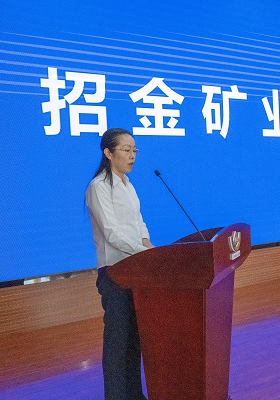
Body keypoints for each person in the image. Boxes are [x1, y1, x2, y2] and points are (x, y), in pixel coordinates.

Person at [85, 127, 154, 400]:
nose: (132, 155)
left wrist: (147, 244)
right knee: (117, 344)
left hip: (136, 271)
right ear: (108, 152)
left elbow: (138, 223)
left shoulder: (128, 184)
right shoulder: (99, 187)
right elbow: (111, 233)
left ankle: (135, 396)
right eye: (126, 150)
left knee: (134, 341)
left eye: (134, 150)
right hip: (114, 273)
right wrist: (142, 252)